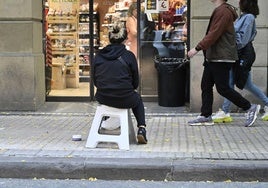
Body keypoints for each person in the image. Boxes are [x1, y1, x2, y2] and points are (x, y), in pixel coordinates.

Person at [187, 0, 260, 127]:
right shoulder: (222, 10)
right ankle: (205, 115)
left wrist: (197, 48)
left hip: (221, 57)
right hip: (214, 56)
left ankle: (249, 107)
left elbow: (214, 33)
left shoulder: (224, 11)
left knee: (223, 88)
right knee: (206, 85)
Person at [212, 0, 268, 123]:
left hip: (242, 55)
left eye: (241, 0)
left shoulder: (249, 17)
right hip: (237, 54)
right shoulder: (244, 17)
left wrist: (229, 43)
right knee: (241, 84)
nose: (238, 2)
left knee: (233, 83)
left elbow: (243, 39)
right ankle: (225, 111)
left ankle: (225, 111)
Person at [92, 23, 147, 144]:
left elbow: (95, 80)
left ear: (109, 38)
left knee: (107, 98)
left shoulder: (99, 56)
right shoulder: (129, 56)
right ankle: (142, 129)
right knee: (137, 99)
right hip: (125, 98)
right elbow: (135, 82)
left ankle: (103, 125)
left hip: (103, 97)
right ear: (125, 39)